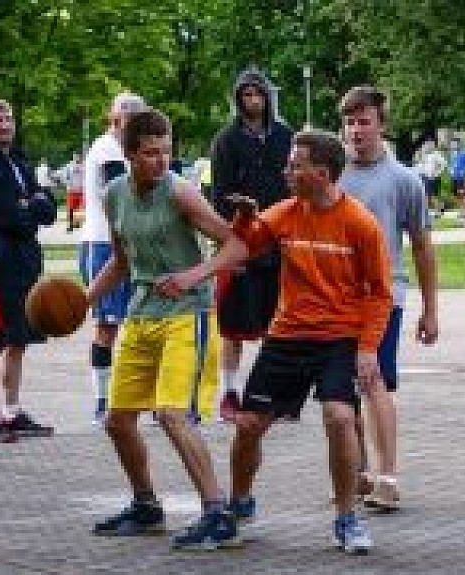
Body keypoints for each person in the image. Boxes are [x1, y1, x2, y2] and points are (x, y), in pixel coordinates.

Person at [163, 129, 393, 555]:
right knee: (248, 426)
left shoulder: (359, 223)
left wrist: (367, 348)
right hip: (287, 337)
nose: (285, 171)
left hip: (338, 339)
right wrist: (209, 260)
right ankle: (239, 502)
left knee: (340, 418)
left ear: (322, 174)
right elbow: (241, 248)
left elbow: (380, 292)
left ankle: (346, 517)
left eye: (294, 165)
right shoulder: (284, 213)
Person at [86, 108, 241, 549]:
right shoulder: (115, 194)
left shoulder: (181, 193)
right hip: (141, 313)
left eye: (166, 151)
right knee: (117, 421)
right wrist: (85, 300)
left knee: (172, 413)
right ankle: (146, 507)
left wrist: (195, 274)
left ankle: (217, 513)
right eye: (151, 153)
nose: (161, 161)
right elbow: (120, 261)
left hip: (187, 314)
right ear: (130, 154)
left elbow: (236, 243)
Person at [338, 86, 439, 510]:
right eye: (349, 122)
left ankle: (388, 476)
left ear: (382, 125)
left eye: (364, 121)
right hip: (334, 297)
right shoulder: (331, 173)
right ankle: (358, 470)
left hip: (383, 297)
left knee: (373, 379)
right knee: (341, 389)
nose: (356, 130)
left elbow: (421, 246)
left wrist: (430, 310)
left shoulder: (404, 180)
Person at [0, 98, 57, 442]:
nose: (5, 124)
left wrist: (31, 204)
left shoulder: (18, 161)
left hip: (24, 267)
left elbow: (46, 209)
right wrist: (30, 206)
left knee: (19, 341)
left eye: (9, 118)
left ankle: (12, 411)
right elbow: (11, 219)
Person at [210, 67, 293, 421]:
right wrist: (230, 238)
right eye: (245, 95)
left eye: (257, 94)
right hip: (242, 238)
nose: (252, 101)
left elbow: (295, 185)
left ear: (268, 97)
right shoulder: (226, 141)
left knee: (280, 321)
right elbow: (219, 196)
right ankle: (229, 392)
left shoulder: (286, 136)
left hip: (280, 241)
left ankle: (274, 393)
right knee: (234, 323)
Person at [80, 93, 145, 425]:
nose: (132, 117)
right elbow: (122, 193)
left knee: (138, 322)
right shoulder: (107, 149)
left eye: (138, 112)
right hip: (103, 244)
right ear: (113, 116)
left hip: (130, 244)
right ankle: (102, 400)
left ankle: (130, 395)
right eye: (126, 112)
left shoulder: (131, 149)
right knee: (106, 325)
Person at [414, 140, 447, 210]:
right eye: (426, 145)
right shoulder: (424, 155)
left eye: (428, 145)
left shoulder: (436, 154)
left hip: (433, 178)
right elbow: (419, 166)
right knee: (426, 194)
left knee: (433, 194)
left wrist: (437, 172)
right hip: (424, 176)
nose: (426, 147)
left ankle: (439, 208)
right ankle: (428, 208)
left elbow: (443, 164)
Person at [56, 153, 84, 231]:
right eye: (76, 157)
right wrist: (66, 183)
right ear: (73, 157)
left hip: (81, 191)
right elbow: (62, 174)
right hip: (71, 191)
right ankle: (71, 224)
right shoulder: (69, 166)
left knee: (81, 208)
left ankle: (78, 223)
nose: (77, 158)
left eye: (79, 157)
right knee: (70, 208)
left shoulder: (84, 166)